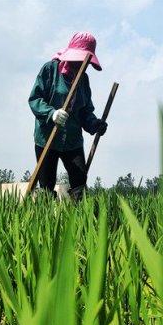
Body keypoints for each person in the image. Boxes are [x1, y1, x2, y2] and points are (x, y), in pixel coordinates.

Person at [28, 31, 108, 200]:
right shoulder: (50, 70)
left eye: (86, 61)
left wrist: (95, 124)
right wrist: (51, 113)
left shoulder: (83, 80)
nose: (83, 65)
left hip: (72, 140)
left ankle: (80, 220)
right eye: (81, 60)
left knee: (80, 180)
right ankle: (45, 221)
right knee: (47, 185)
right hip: (47, 137)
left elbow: (85, 112)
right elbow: (34, 99)